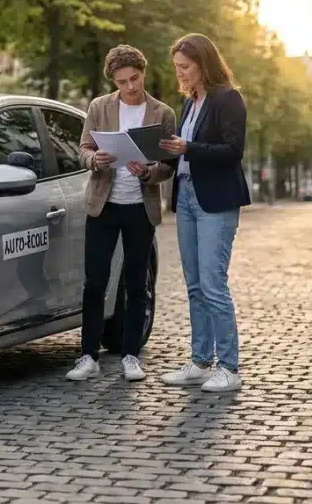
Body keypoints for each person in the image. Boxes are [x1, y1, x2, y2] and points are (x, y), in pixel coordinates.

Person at [67, 45, 177, 382]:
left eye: (135, 78)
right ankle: (87, 355)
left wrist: (148, 172)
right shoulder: (99, 107)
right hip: (103, 204)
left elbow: (169, 165)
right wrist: (93, 160)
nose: (130, 86)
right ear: (113, 80)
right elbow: (83, 149)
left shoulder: (163, 113)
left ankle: (131, 355)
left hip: (139, 208)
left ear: (143, 72)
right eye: (122, 81)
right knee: (94, 282)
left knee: (136, 284)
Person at [157, 33, 252, 393]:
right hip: (185, 198)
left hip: (215, 200)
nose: (179, 73)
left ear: (203, 65)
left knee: (213, 284)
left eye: (185, 67)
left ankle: (229, 366)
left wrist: (189, 147)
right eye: (177, 67)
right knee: (194, 285)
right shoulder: (190, 104)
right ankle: (200, 361)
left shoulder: (228, 99)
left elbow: (233, 150)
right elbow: (184, 153)